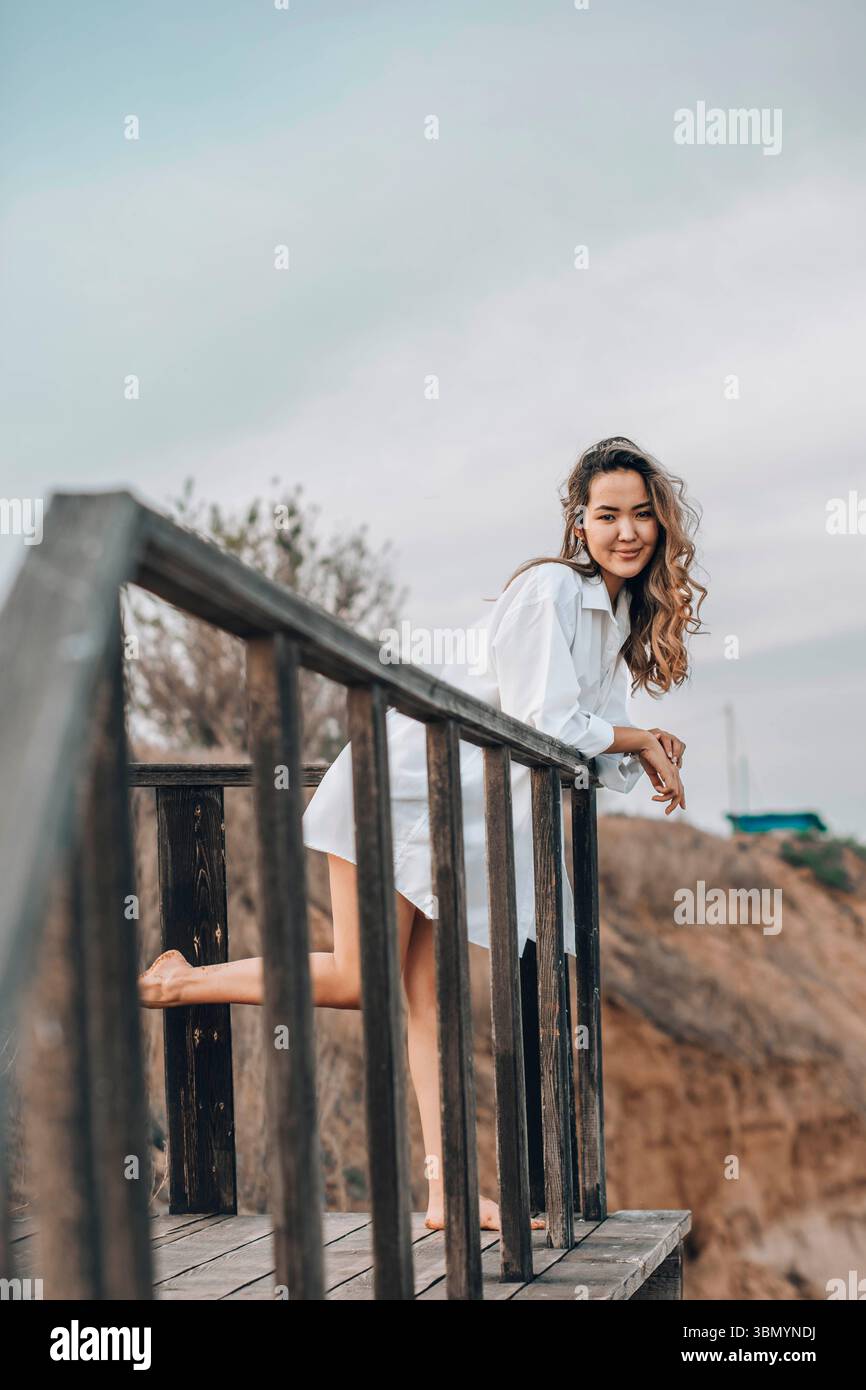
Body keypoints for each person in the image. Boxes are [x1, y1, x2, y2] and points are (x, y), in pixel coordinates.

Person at [139, 435, 705, 1233]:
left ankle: (444, 1194)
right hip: (396, 788)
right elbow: (546, 722)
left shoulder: (610, 617)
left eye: (642, 515)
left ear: (660, 524)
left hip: (450, 818)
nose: (627, 531)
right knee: (361, 980)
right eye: (607, 514)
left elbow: (573, 743)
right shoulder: (550, 589)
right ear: (578, 524)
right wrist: (634, 738)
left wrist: (637, 746)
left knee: (427, 1006)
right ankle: (176, 981)